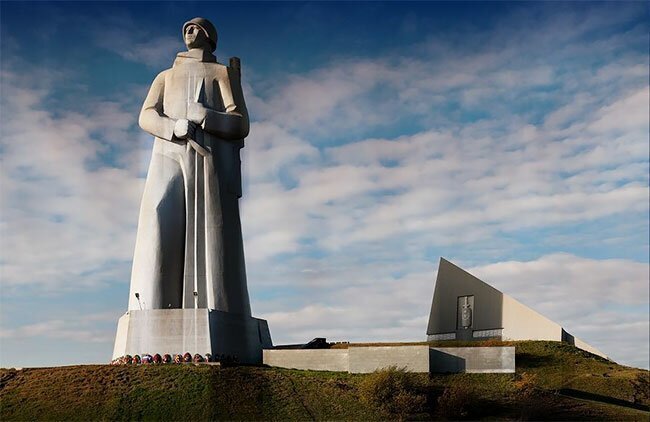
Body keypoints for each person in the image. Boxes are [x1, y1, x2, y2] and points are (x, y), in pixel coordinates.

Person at [127, 17, 251, 315]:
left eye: (195, 28)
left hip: (209, 160)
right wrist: (173, 126)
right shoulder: (165, 77)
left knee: (212, 235)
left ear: (209, 36)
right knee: (159, 219)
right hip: (168, 155)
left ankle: (218, 310)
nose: (189, 32)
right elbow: (146, 115)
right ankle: (150, 309)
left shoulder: (222, 74)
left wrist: (206, 115)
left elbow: (241, 123)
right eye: (186, 29)